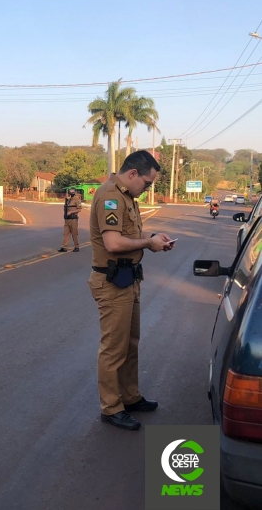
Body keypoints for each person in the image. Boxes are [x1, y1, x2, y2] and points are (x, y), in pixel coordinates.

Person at [88, 150, 175, 431]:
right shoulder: (110, 195)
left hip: (128, 280)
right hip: (112, 283)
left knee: (130, 344)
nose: (147, 189)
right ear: (133, 174)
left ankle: (130, 396)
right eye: (147, 184)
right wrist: (148, 243)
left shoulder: (127, 196)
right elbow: (113, 243)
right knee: (114, 349)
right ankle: (111, 408)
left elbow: (131, 237)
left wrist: (153, 239)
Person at [58, 188, 82, 252]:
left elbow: (79, 209)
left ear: (75, 192)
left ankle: (77, 246)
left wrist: (71, 212)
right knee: (66, 233)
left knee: (74, 233)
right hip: (67, 219)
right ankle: (64, 247)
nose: (71, 193)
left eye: (72, 192)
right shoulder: (68, 200)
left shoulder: (77, 199)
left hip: (73, 219)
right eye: (70, 192)